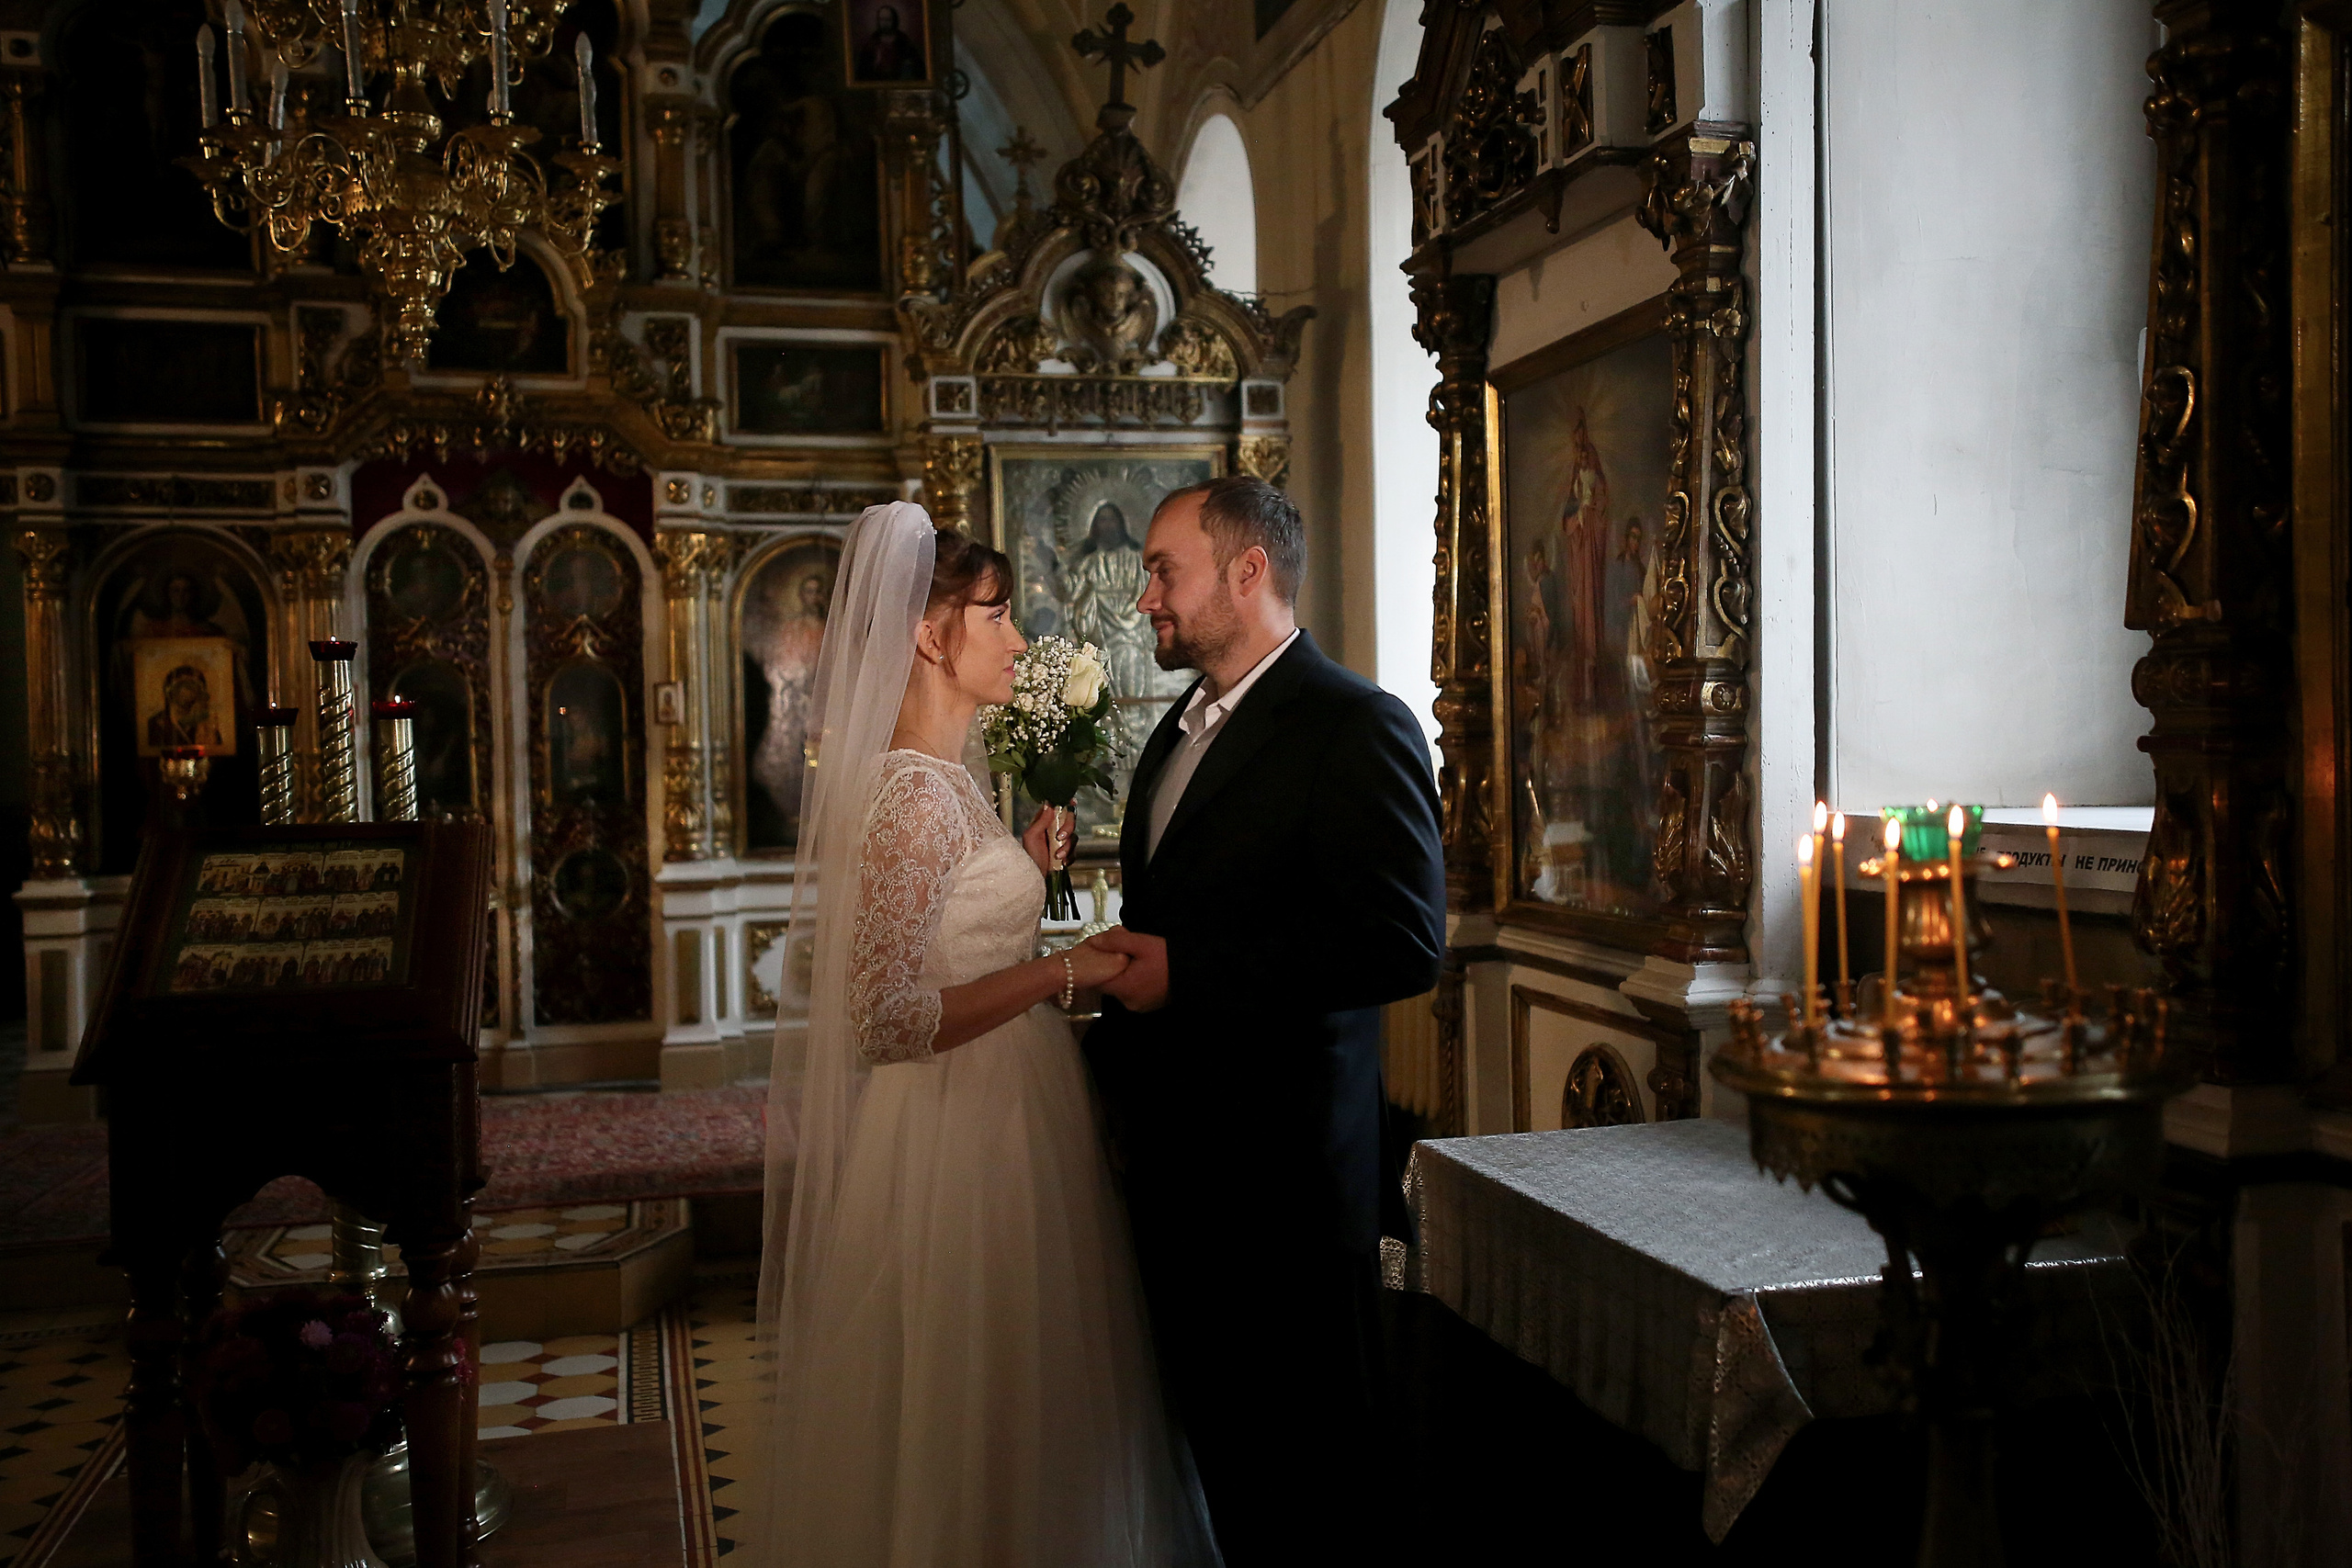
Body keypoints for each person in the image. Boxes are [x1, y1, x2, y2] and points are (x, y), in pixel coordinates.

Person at [752, 502, 1219, 1566]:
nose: (1016, 639)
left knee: (1029, 1388)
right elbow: (885, 1020)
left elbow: (946, 935)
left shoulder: (947, 783)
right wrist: (1060, 967)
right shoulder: (911, 795)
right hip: (959, 1138)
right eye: (996, 614)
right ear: (929, 636)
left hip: (1012, 1108)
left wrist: (1019, 868)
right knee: (976, 1387)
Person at [1088, 476, 1446, 1567]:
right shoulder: (1177, 732)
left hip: (1284, 1190)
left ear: (1247, 573)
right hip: (1177, 1174)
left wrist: (1189, 973)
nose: (1143, 596)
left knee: (1310, 1490)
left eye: (1163, 570)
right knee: (1223, 1478)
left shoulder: (1354, 724)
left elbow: (1400, 942)